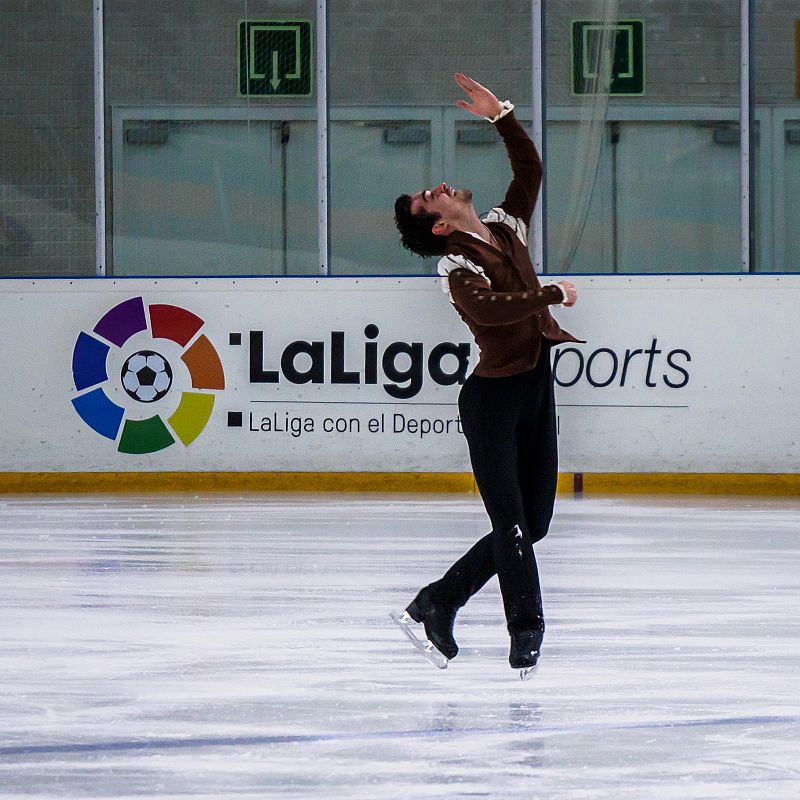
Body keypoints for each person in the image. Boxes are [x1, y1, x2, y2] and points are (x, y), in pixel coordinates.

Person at [393, 73, 581, 675]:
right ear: (441, 225)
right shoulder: (454, 266)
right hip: (492, 401)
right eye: (431, 197)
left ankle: (437, 602)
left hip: (533, 387)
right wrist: (547, 292)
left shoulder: (504, 228)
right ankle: (526, 632)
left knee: (535, 523)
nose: (440, 187)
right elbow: (490, 310)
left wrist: (500, 115)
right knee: (510, 522)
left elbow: (529, 172)